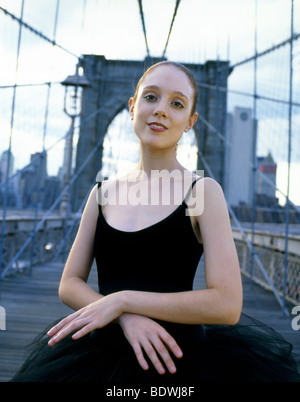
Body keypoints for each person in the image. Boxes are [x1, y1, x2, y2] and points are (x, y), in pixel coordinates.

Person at [11, 61, 299, 383]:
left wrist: (122, 300)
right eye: (151, 97)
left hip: (179, 361)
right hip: (99, 357)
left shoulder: (202, 192)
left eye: (176, 103)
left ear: (190, 122)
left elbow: (227, 305)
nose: (161, 109)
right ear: (132, 107)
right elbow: (69, 284)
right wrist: (126, 317)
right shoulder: (101, 193)